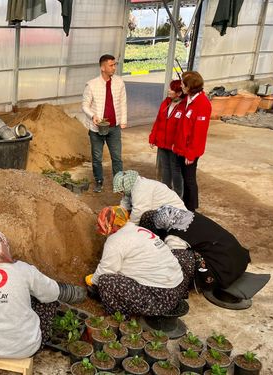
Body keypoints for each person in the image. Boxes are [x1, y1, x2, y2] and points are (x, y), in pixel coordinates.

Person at [0, 231, 86, 358]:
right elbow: (50, 294)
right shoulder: (24, 269)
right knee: (46, 298)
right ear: (5, 247)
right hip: (26, 348)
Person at [85, 206, 191, 316]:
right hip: (178, 287)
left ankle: (120, 317)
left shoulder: (115, 240)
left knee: (105, 281)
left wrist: (92, 281)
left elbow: (106, 269)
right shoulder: (138, 230)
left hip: (160, 298)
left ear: (113, 224)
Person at [138, 205, 251, 291]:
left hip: (223, 271)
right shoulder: (188, 215)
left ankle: (189, 284)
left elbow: (170, 260)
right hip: (237, 258)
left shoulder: (174, 237)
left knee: (178, 256)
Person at [82, 54, 127, 193]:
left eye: (115, 65)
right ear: (103, 67)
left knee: (117, 157)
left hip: (114, 127)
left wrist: (123, 120)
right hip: (97, 128)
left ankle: (118, 184)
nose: (114, 67)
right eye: (111, 65)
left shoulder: (119, 82)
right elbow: (84, 105)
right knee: (97, 157)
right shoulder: (92, 85)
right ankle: (99, 181)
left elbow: (123, 102)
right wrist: (93, 116)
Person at [173, 71, 212, 211]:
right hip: (181, 148)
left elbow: (198, 133)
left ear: (190, 86)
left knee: (189, 179)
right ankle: (184, 204)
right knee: (183, 177)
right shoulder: (188, 99)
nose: (181, 85)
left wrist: (191, 153)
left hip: (190, 151)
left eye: (183, 84)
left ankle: (191, 208)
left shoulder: (202, 104)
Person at [149, 79, 186, 197]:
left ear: (179, 93)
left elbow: (183, 129)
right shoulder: (165, 102)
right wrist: (153, 137)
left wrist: (178, 143)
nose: (168, 91)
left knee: (176, 170)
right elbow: (158, 121)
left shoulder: (184, 107)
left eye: (171, 89)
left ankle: (178, 196)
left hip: (174, 146)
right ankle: (165, 193)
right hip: (162, 143)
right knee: (165, 168)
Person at [113, 170, 186, 224]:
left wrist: (127, 227)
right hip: (165, 212)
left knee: (145, 218)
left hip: (177, 215)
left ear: (126, 186)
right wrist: (117, 215)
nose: (122, 194)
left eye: (122, 191)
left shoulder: (140, 188)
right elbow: (124, 203)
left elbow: (139, 212)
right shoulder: (131, 185)